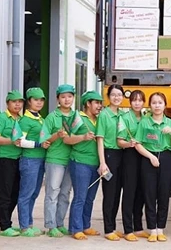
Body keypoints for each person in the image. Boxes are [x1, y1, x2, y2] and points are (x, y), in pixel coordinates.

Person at [135, 92, 171, 242]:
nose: (157, 106)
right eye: (154, 103)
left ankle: (160, 228)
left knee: (163, 194)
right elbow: (138, 144)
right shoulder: (144, 122)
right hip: (148, 158)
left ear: (165, 105)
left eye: (160, 103)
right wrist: (150, 156)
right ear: (150, 105)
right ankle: (152, 229)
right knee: (149, 194)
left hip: (166, 158)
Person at [65, 90, 103, 240]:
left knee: (90, 197)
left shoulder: (100, 120)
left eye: (100, 103)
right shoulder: (77, 117)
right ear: (88, 103)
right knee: (80, 196)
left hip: (96, 164)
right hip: (80, 162)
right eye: (96, 103)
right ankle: (76, 228)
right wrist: (83, 137)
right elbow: (66, 139)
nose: (99, 106)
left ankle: (85, 225)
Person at [42, 84, 75, 237]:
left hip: (72, 159)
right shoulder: (51, 117)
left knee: (65, 193)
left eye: (69, 96)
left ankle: (60, 223)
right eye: (63, 97)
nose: (67, 100)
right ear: (57, 99)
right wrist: (57, 135)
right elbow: (43, 140)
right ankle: (50, 225)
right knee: (52, 192)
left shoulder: (76, 117)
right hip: (55, 159)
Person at [0, 90, 24, 237]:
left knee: (15, 193)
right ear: (7, 103)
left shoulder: (21, 119)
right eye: (14, 101)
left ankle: (8, 222)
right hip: (5, 159)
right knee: (5, 193)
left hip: (19, 159)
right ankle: (4, 226)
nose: (17, 104)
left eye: (20, 102)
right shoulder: (1, 118)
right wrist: (12, 141)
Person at [17, 87, 49, 237]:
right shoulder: (25, 120)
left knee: (34, 193)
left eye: (41, 100)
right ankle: (24, 226)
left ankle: (29, 223)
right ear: (29, 101)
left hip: (40, 159)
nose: (39, 102)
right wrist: (38, 145)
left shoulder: (41, 119)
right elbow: (20, 141)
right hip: (29, 159)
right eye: (36, 99)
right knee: (26, 193)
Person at [117, 89, 148, 241]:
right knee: (129, 192)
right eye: (134, 100)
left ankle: (138, 227)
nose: (137, 103)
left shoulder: (146, 117)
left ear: (143, 102)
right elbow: (119, 141)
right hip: (130, 156)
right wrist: (129, 143)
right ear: (130, 102)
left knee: (141, 193)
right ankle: (128, 229)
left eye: (140, 100)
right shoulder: (124, 118)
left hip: (143, 157)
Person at [97, 84, 125, 241]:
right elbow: (99, 139)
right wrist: (102, 163)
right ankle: (108, 229)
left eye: (119, 95)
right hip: (108, 156)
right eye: (113, 95)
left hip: (122, 155)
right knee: (109, 193)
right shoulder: (104, 115)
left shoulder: (122, 114)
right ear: (108, 97)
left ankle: (113, 226)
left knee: (117, 193)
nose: (117, 97)